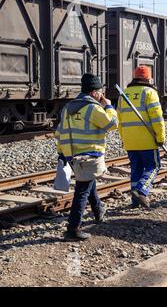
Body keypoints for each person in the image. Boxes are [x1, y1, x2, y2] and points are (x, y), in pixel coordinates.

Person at [55, 73, 119, 241]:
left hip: (71, 154)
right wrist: (109, 107)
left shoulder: (68, 107)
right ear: (93, 92)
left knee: (88, 182)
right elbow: (112, 124)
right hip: (89, 155)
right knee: (82, 191)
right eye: (100, 91)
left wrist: (62, 153)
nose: (101, 95)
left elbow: (59, 132)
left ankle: (98, 210)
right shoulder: (93, 108)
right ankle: (73, 229)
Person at [116, 66, 165, 208]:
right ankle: (142, 190)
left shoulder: (123, 94)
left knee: (136, 168)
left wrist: (124, 139)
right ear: (148, 78)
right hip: (147, 140)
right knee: (153, 166)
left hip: (130, 141)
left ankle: (135, 201)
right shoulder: (150, 92)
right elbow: (157, 118)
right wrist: (161, 137)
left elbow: (119, 120)